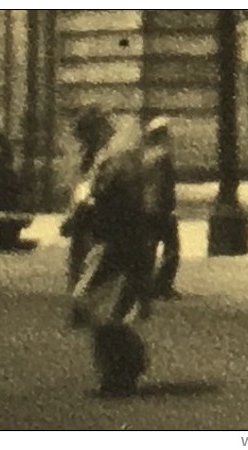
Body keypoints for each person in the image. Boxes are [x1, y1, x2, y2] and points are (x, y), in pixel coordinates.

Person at [61, 107, 158, 327]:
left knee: (124, 268)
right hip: (119, 223)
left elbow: (92, 188)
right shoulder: (112, 154)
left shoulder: (109, 154)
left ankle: (118, 313)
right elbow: (95, 188)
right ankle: (96, 310)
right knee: (116, 267)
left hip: (116, 222)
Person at [139, 117, 182, 301]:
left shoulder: (145, 156)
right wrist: (170, 207)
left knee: (149, 248)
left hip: (146, 208)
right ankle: (163, 286)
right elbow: (165, 185)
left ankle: (145, 284)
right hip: (161, 208)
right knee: (172, 248)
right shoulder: (163, 156)